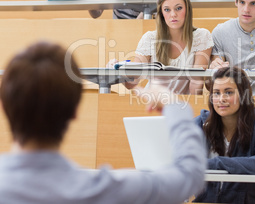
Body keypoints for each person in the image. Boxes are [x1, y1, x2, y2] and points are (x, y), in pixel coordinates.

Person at [0, 41, 206, 204]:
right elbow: (189, 176)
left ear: (5, 106)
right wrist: (173, 104)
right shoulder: (104, 190)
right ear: (74, 112)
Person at [193, 66, 255, 204]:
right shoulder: (201, 123)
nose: (221, 99)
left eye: (228, 92)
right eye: (216, 93)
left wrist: (217, 163)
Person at [110, 0, 214, 95]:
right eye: (167, 10)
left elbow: (196, 83)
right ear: (161, 13)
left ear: (187, 9)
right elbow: (132, 83)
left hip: (182, 104)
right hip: (152, 102)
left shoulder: (201, 36)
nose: (173, 14)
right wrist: (117, 70)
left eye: (178, 8)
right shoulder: (149, 38)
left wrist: (190, 110)